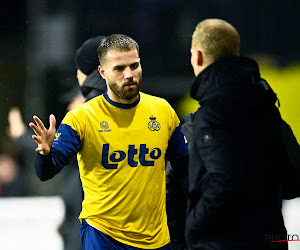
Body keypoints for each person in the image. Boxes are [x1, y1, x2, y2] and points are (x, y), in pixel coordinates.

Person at [29, 34, 189, 250]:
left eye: (134, 65)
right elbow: (46, 172)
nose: (129, 74)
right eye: (119, 69)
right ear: (102, 72)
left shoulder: (163, 111)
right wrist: (45, 153)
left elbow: (184, 169)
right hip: (103, 236)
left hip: (154, 239)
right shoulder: (81, 118)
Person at [184, 18, 288, 249]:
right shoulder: (266, 104)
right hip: (272, 238)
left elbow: (224, 180)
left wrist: (192, 226)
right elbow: (294, 176)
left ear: (198, 56)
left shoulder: (210, 113)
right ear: (236, 52)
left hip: (223, 242)